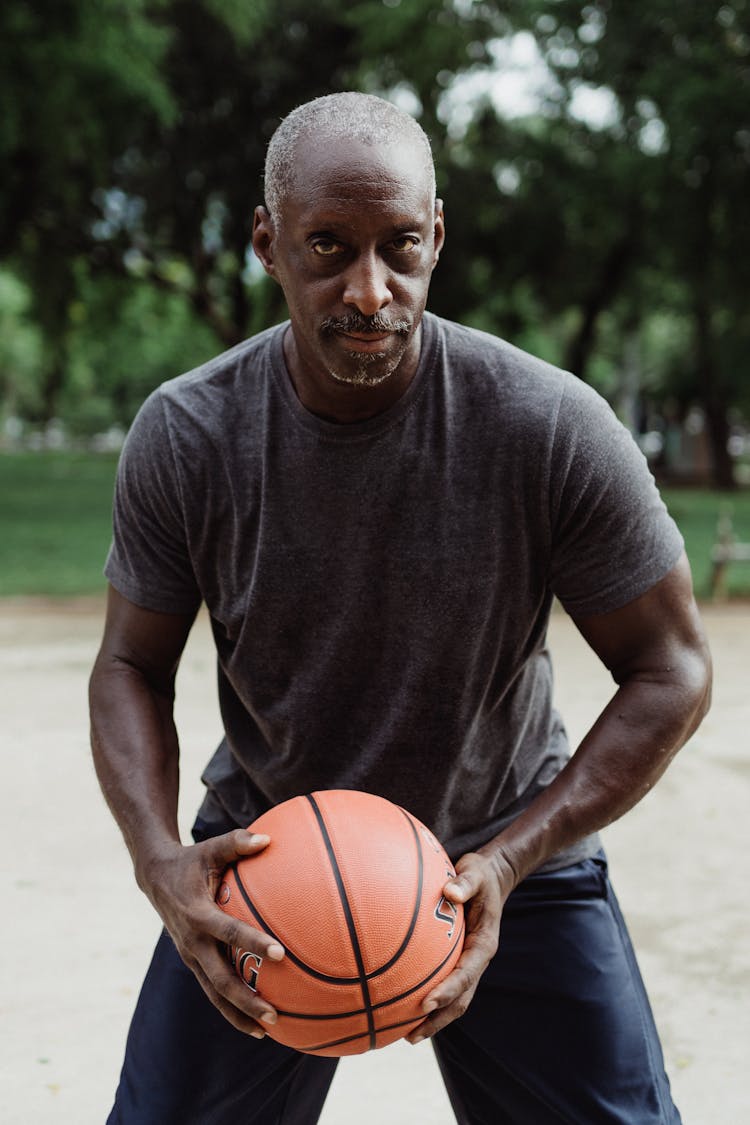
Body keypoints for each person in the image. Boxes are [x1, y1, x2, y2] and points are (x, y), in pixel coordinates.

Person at [89, 91, 712, 1125]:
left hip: (509, 848)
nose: (370, 290)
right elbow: (129, 666)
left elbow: (673, 668)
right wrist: (161, 862)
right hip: (269, 866)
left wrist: (512, 860)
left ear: (438, 239)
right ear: (266, 242)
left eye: (401, 246)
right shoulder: (190, 435)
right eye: (327, 246)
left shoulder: (546, 426)